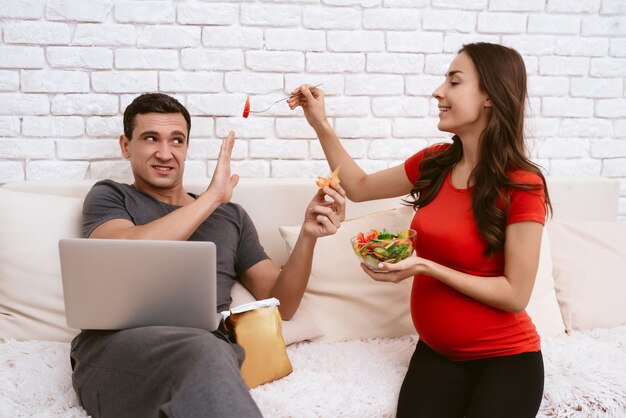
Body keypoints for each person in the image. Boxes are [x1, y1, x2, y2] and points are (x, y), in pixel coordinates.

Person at [289, 42, 550, 418]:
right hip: (438, 354)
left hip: (508, 360)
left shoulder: (523, 184)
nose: (438, 91)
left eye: (454, 82)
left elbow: (515, 294)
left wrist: (424, 266)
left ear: (490, 96)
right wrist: (319, 123)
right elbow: (360, 187)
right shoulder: (435, 163)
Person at [70, 92, 346, 417]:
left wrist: (307, 236)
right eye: (150, 138)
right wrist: (212, 198)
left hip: (205, 350)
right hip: (116, 347)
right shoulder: (110, 196)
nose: (165, 152)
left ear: (186, 147)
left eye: (176, 140)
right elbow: (125, 248)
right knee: (207, 354)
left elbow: (281, 304)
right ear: (126, 145)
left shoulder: (231, 217)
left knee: (211, 354)